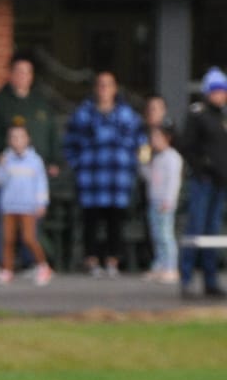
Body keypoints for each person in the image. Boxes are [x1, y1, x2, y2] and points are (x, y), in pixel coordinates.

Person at [0, 52, 63, 277]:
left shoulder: (41, 103)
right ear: (10, 74)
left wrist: (53, 160)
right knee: (2, 222)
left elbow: (53, 134)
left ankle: (31, 263)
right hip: (8, 177)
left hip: (32, 178)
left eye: (27, 72)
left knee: (31, 227)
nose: (23, 76)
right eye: (18, 71)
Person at [63, 71, 145, 277]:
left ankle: (113, 261)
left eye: (108, 85)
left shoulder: (127, 114)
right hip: (91, 178)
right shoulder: (83, 113)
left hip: (118, 179)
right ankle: (91, 261)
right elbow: (69, 143)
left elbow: (141, 143)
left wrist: (135, 163)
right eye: (100, 85)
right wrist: (76, 163)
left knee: (114, 221)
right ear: (95, 88)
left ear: (115, 88)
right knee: (90, 220)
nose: (104, 89)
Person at [177, 67, 227, 298]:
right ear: (208, 92)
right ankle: (186, 279)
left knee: (212, 231)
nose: (221, 95)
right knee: (195, 228)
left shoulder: (223, 116)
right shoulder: (198, 114)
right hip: (203, 182)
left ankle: (210, 280)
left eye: (223, 91)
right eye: (217, 90)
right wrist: (202, 168)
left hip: (221, 182)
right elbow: (186, 146)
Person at [0, 123, 53, 285]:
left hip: (28, 206)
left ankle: (43, 266)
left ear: (27, 139)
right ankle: (7, 270)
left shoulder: (35, 161)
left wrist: (41, 202)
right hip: (9, 206)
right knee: (8, 239)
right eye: (13, 137)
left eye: (20, 137)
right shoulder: (6, 159)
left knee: (29, 238)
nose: (17, 141)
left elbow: (41, 183)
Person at [143, 121, 183, 285]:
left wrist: (169, 200)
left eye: (156, 137)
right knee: (157, 235)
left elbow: (173, 182)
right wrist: (143, 163)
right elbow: (150, 178)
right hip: (154, 201)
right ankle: (159, 265)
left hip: (165, 203)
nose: (153, 140)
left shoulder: (172, 157)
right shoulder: (157, 158)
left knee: (166, 235)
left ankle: (171, 267)